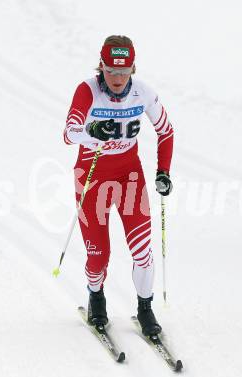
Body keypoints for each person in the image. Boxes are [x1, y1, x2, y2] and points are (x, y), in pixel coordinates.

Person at [63, 35, 174, 336]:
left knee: (142, 251)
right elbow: (69, 134)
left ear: (133, 70)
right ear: (101, 66)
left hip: (129, 178)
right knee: (98, 255)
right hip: (91, 177)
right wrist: (93, 130)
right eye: (111, 70)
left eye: (123, 73)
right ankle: (96, 296)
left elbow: (166, 131)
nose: (116, 78)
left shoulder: (142, 93)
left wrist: (163, 172)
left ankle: (145, 307)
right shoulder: (87, 91)